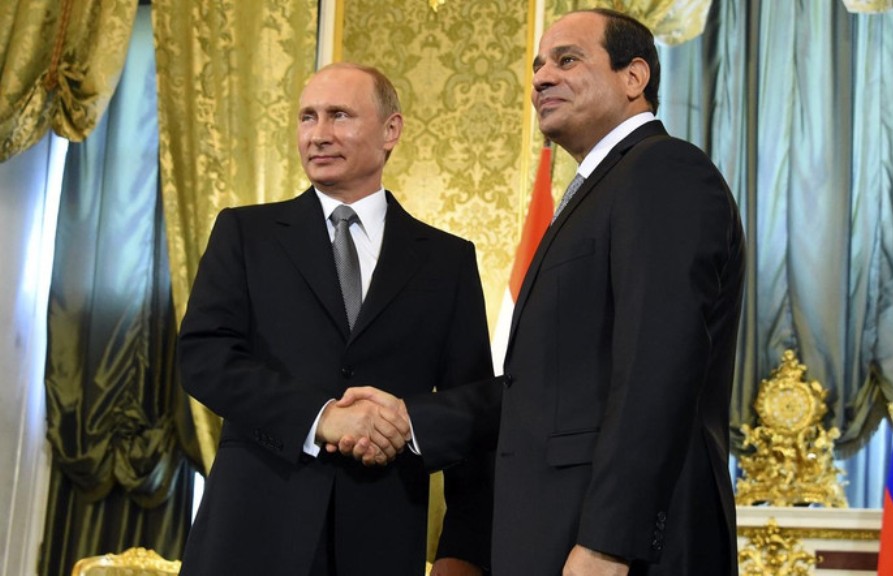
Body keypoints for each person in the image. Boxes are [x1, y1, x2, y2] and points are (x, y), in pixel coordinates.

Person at [338, 9, 746, 576]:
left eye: (567, 59)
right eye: (537, 67)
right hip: (558, 532)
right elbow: (547, 387)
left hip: (620, 550)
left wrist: (609, 541)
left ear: (634, 78)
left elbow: (660, 365)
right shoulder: (599, 193)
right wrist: (413, 420)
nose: (541, 78)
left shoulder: (663, 170)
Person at [177, 62, 494, 576]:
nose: (318, 135)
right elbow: (203, 357)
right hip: (252, 533)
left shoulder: (447, 260)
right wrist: (322, 415)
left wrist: (464, 551)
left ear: (391, 130)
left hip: (382, 538)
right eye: (307, 118)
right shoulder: (246, 233)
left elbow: (473, 410)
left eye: (339, 116)